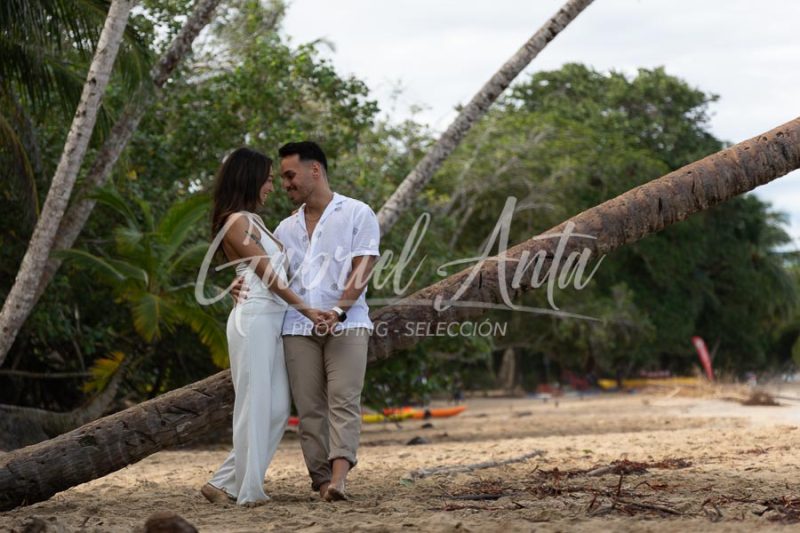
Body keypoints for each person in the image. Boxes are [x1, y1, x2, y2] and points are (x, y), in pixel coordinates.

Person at [234, 141, 380, 502]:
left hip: (348, 323)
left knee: (344, 398)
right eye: (282, 177)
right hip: (297, 328)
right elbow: (268, 271)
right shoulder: (284, 229)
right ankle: (321, 483)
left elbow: (364, 268)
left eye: (289, 175)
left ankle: (340, 478)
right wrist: (238, 283)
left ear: (315, 170)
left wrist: (339, 310)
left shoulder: (358, 213)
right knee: (309, 408)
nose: (284, 184)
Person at [200, 147, 329, 507]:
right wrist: (308, 310)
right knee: (253, 404)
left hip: (271, 320)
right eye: (269, 178)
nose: (272, 185)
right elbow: (267, 275)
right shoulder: (235, 220)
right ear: (250, 178)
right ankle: (249, 490)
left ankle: (222, 482)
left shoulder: (255, 222)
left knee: (275, 409)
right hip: (255, 318)